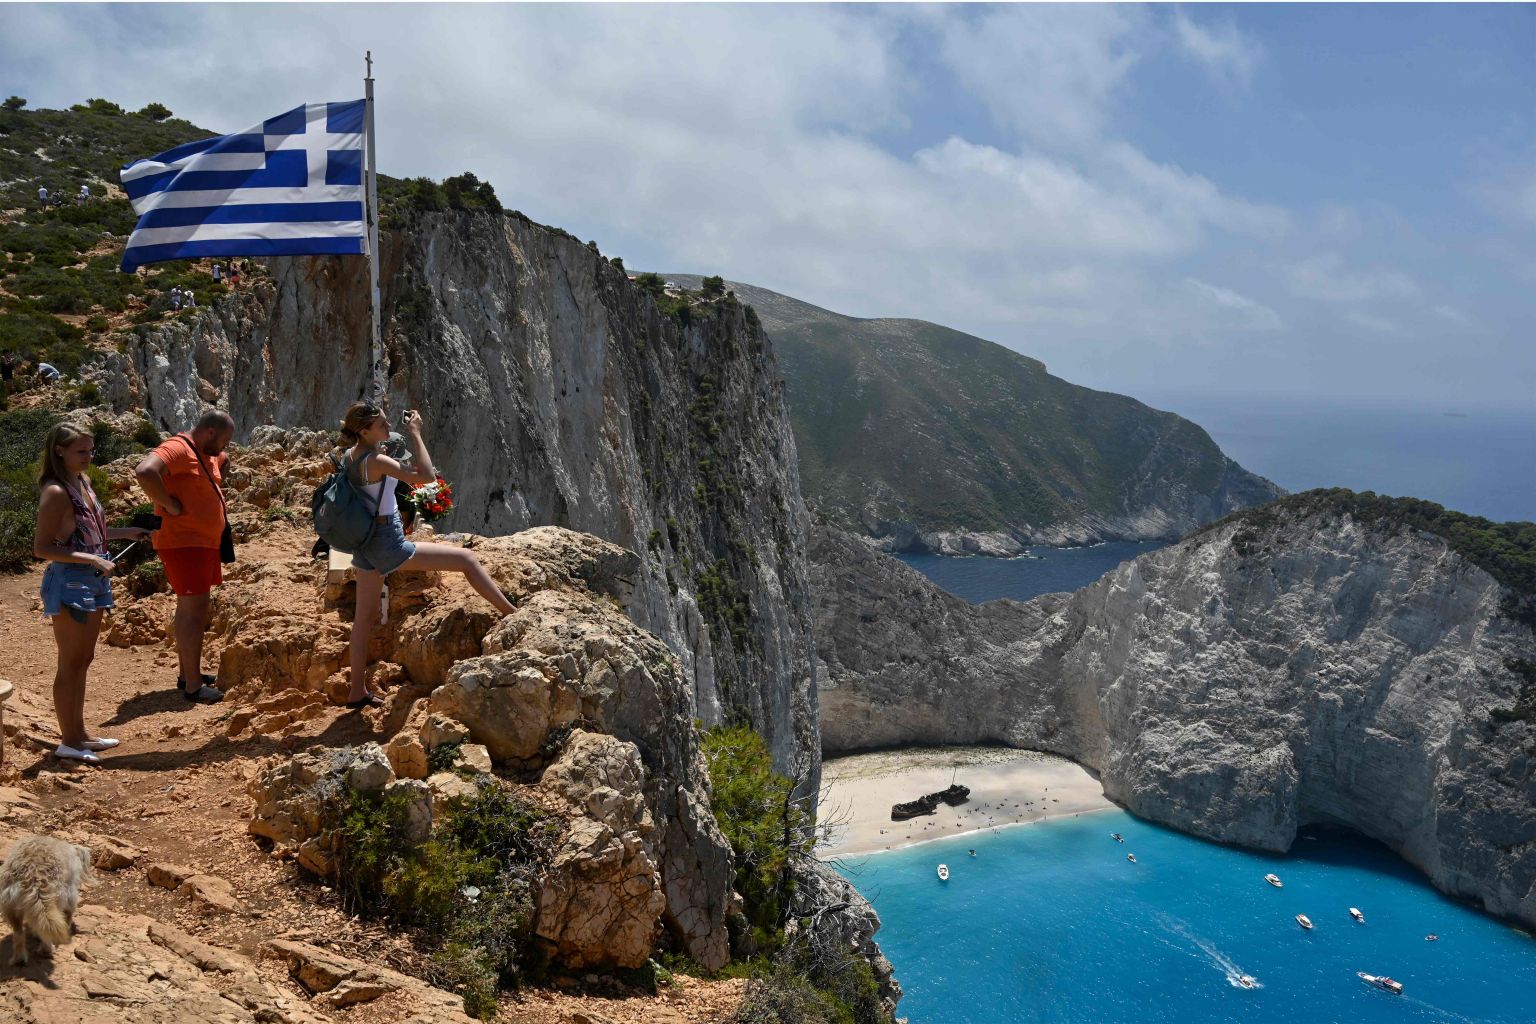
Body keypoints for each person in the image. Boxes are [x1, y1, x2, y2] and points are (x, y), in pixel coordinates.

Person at [336, 401, 515, 708]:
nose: (388, 427)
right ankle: (513, 614)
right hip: (387, 543)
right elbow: (427, 476)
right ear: (364, 431)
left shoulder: (349, 456)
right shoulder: (375, 460)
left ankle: (356, 691)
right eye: (381, 425)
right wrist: (416, 433)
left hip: (364, 542)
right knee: (466, 560)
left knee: (363, 620)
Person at [33, 423, 154, 763]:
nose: (89, 457)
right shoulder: (56, 491)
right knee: (69, 663)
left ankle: (80, 734)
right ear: (60, 451)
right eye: (81, 451)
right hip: (71, 580)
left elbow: (90, 532)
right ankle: (67, 741)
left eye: (90, 450)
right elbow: (41, 548)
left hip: (93, 579)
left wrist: (126, 531)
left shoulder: (82, 483)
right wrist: (89, 558)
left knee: (83, 660)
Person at [133, 410, 234, 702]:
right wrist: (167, 504)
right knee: (194, 611)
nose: (225, 447)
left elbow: (221, 463)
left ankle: (187, 673)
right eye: (224, 440)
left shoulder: (208, 453)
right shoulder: (177, 448)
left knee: (191, 609)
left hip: (202, 544)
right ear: (210, 432)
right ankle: (192, 685)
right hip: (184, 543)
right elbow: (144, 471)